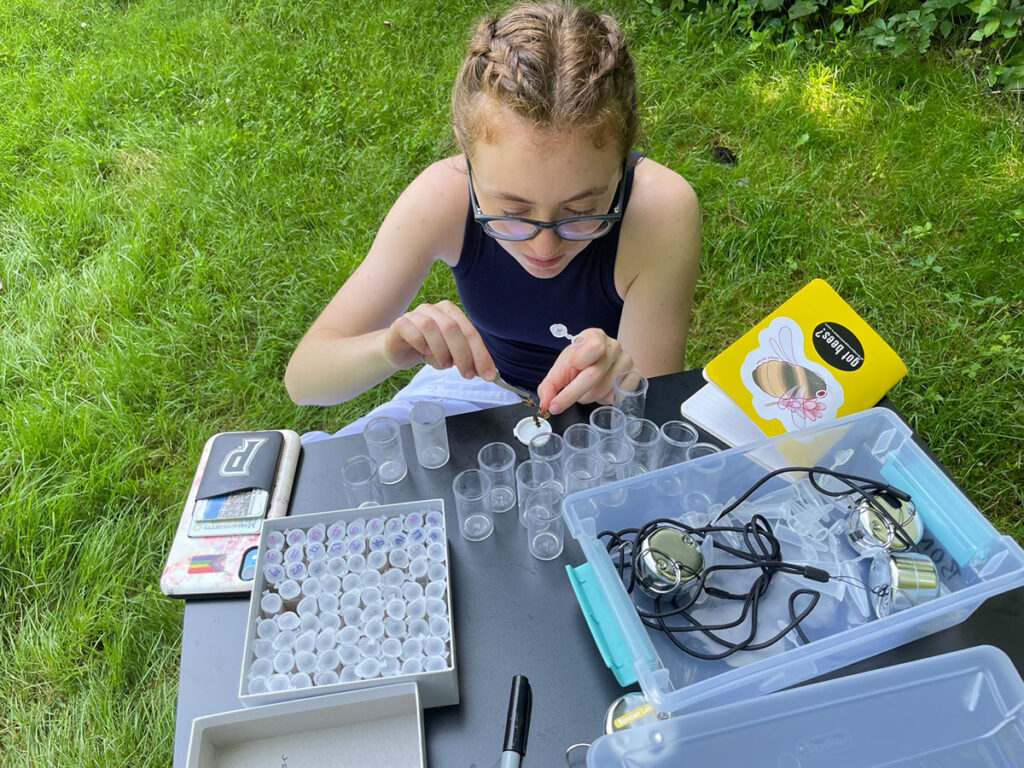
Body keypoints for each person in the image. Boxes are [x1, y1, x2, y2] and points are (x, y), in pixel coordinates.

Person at [285, 1, 700, 438]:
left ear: (623, 163)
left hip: (598, 415)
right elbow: (306, 377)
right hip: (474, 393)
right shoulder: (442, 197)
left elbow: (648, 423)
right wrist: (387, 348)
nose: (544, 248)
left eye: (581, 212)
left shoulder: (658, 212)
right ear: (467, 161)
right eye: (511, 212)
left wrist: (626, 383)